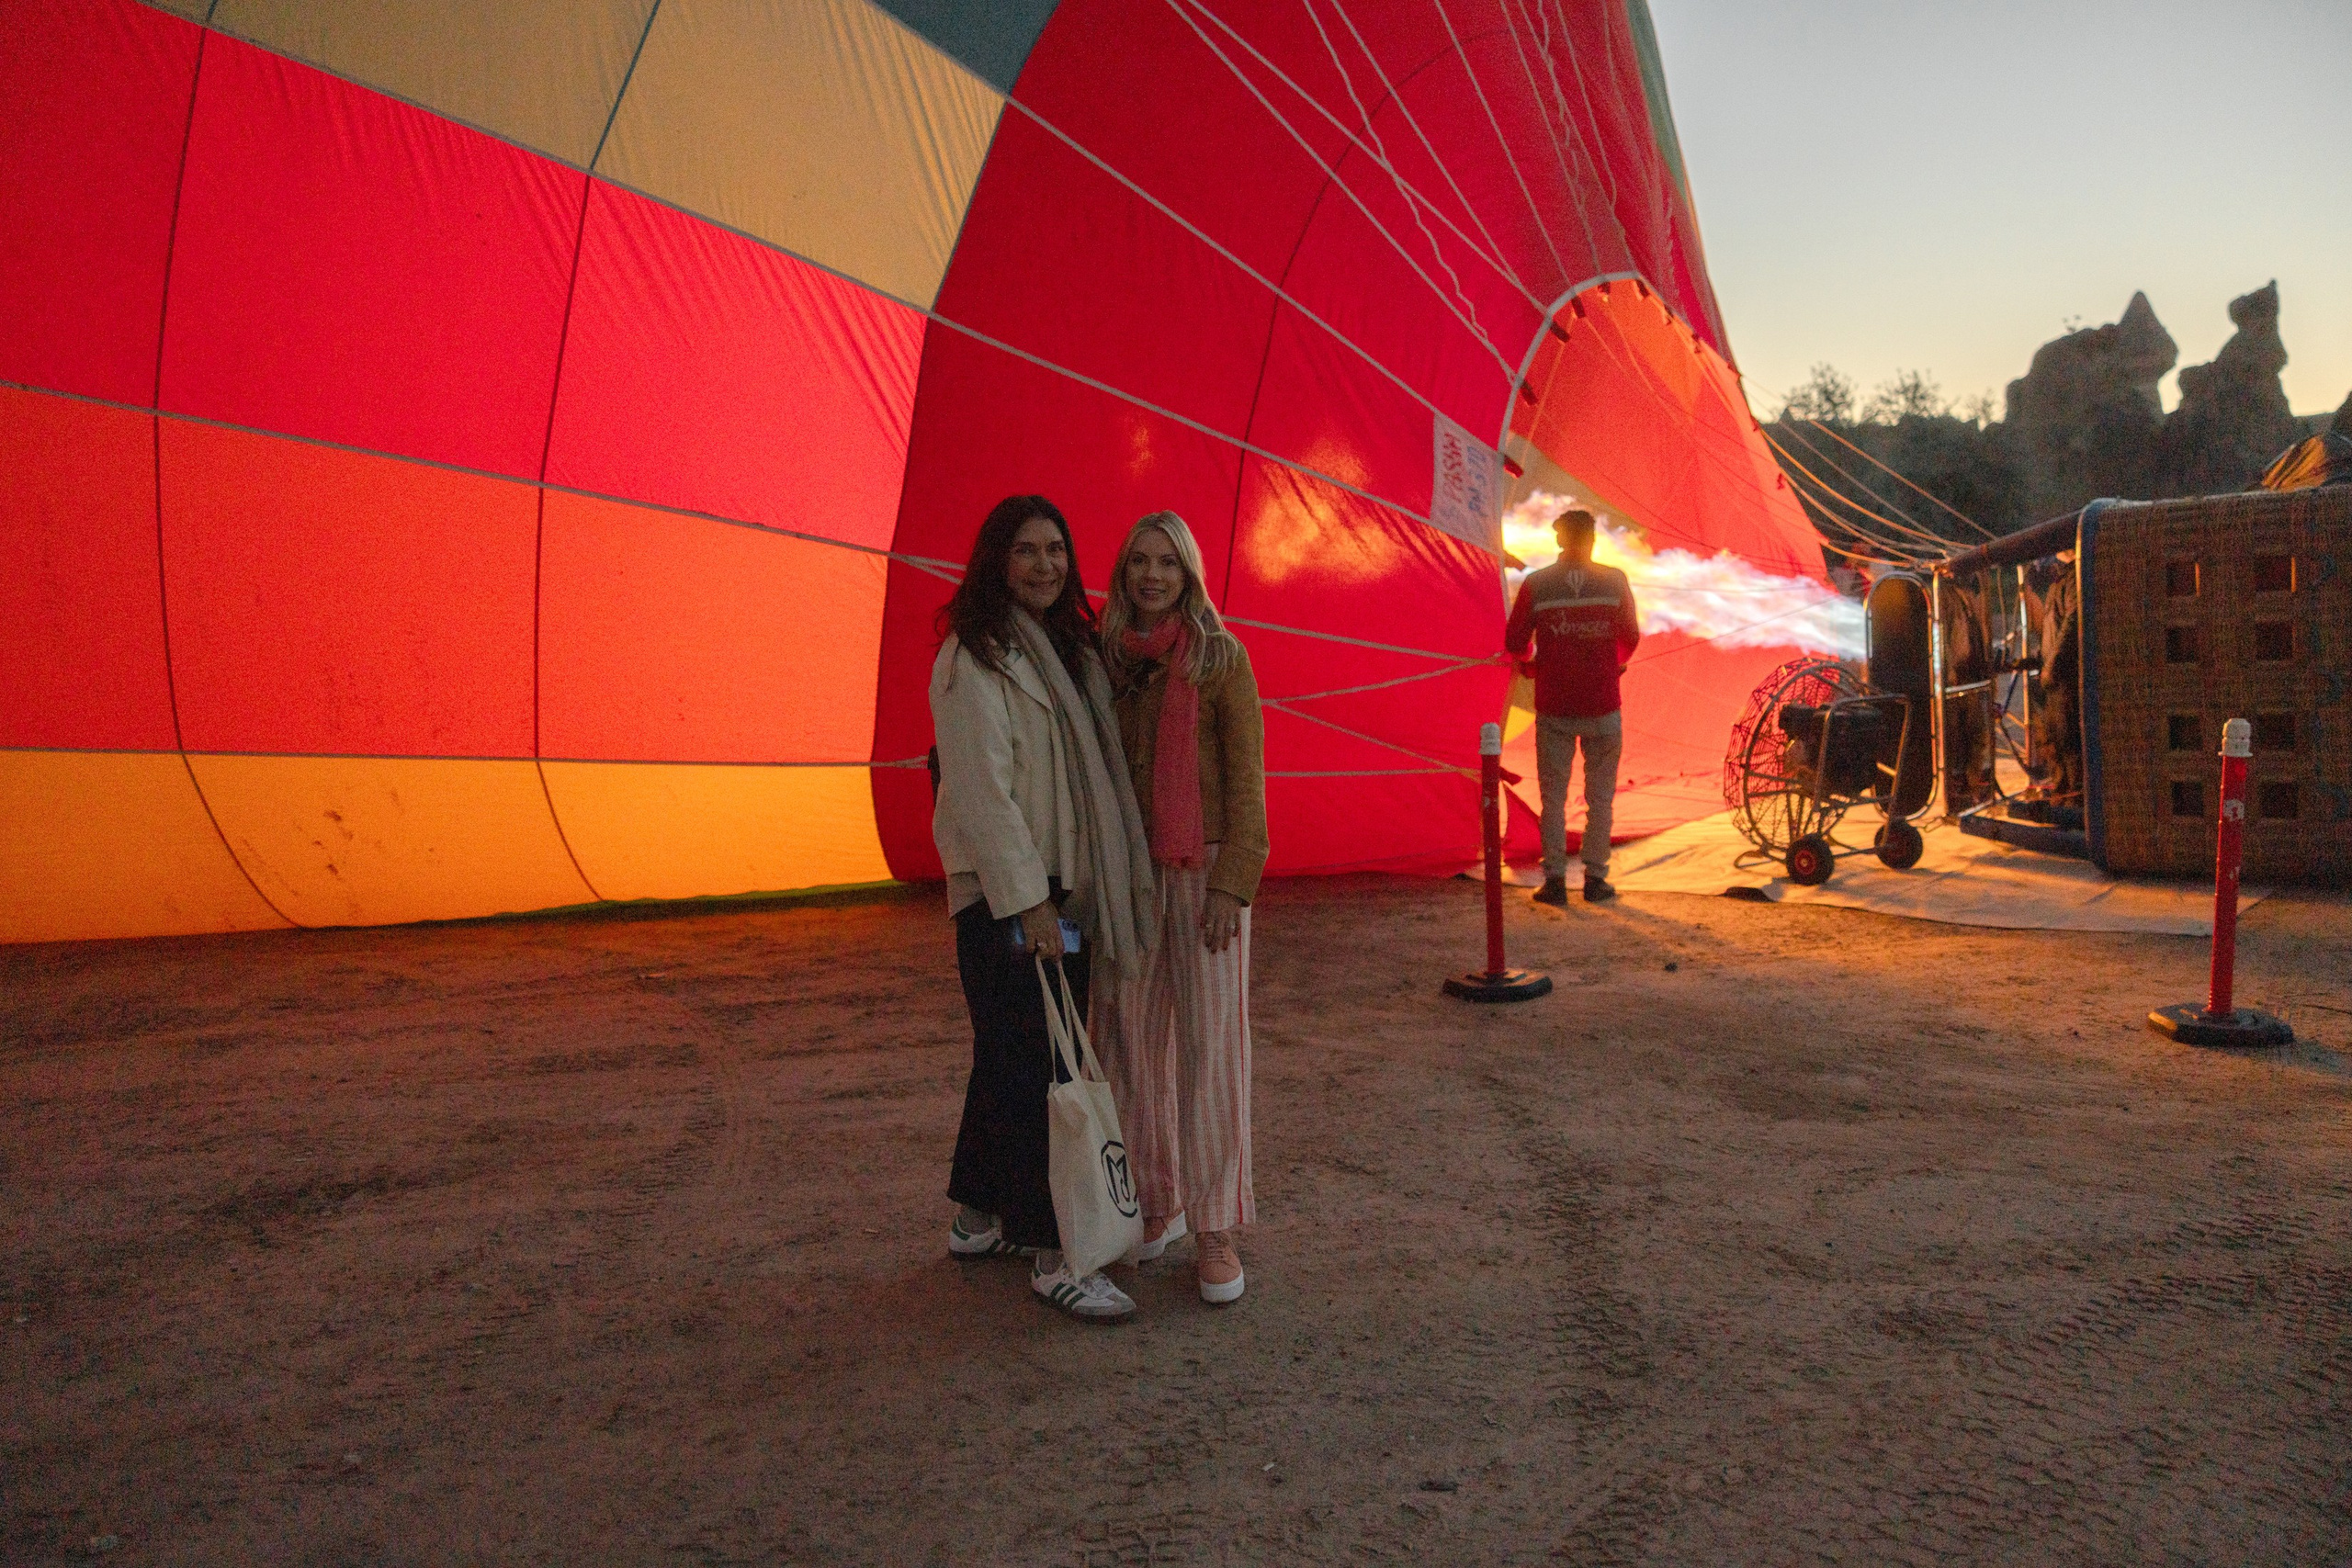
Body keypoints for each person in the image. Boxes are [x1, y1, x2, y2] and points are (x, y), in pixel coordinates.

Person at [930, 495, 1158, 1322]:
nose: (1044, 566)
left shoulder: (1068, 651)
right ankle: (1055, 1248)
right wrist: (1026, 904)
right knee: (1041, 1071)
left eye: (1056, 549)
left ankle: (978, 1213)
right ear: (997, 559)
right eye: (1026, 551)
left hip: (1060, 888)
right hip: (1010, 898)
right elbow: (985, 797)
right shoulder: (971, 659)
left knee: (1008, 1053)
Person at [1094, 512, 1267, 1305]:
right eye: (1140, 562)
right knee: (1129, 1040)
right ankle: (1152, 1202)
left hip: (1205, 876)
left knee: (1210, 1052)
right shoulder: (1108, 659)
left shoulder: (1222, 660)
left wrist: (1233, 880)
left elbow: (1247, 782)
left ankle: (1215, 1224)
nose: (1152, 576)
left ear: (1189, 572)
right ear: (1124, 572)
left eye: (1167, 562)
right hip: (1130, 878)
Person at [1504, 508, 1640, 906]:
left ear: (1559, 541)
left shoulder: (1537, 584)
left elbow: (1515, 641)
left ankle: (1556, 882)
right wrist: (1611, 664)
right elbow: (1630, 637)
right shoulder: (1614, 581)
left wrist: (1531, 665)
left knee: (1553, 798)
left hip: (1555, 706)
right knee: (1600, 798)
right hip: (1603, 705)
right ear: (1593, 539)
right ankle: (1596, 881)